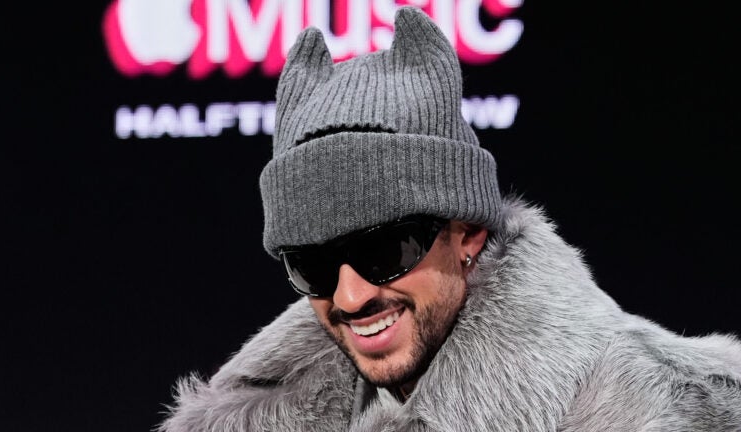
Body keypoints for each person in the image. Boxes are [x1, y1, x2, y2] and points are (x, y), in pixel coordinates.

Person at [159, 7, 741, 431]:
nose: (351, 294)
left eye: (386, 250)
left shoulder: (649, 410)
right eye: (312, 263)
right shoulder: (261, 414)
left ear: (468, 233)